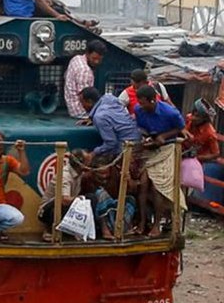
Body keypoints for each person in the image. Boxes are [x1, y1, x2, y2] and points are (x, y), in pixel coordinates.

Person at [133, 85, 185, 235]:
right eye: (139, 102)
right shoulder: (138, 110)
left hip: (167, 149)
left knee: (158, 187)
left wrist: (164, 136)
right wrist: (147, 138)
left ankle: (157, 224)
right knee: (142, 184)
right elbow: (141, 128)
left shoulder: (170, 112)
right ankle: (143, 222)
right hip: (150, 149)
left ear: (152, 100)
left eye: (143, 103)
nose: (140, 106)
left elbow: (180, 128)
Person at [38, 150, 87, 240]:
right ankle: (49, 230)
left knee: (91, 198)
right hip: (46, 211)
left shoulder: (79, 172)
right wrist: (80, 199)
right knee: (62, 203)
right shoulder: (65, 175)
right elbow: (65, 200)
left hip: (68, 204)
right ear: (80, 164)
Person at [79, 86, 140, 159]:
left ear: (89, 101)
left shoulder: (100, 117)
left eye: (82, 102)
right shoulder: (109, 98)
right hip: (138, 138)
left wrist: (92, 154)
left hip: (128, 148)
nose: (82, 106)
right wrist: (91, 119)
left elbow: (111, 144)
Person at [63, 40, 106, 119]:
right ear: (87, 54)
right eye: (94, 58)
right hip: (79, 111)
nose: (96, 62)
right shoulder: (85, 71)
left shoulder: (76, 59)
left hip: (70, 104)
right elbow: (85, 99)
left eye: (99, 59)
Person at [184, 99, 221, 164]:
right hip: (182, 151)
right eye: (193, 114)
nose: (193, 118)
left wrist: (198, 157)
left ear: (204, 119)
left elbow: (216, 154)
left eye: (197, 116)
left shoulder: (210, 133)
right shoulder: (188, 118)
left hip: (195, 161)